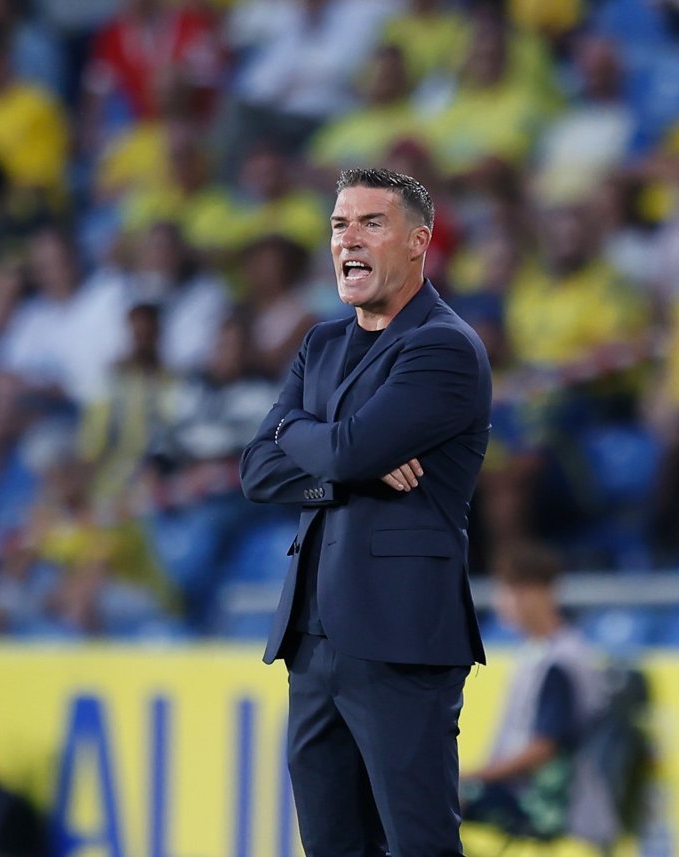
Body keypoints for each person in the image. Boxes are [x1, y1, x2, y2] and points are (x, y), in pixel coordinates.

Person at [240, 167, 492, 856]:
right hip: (312, 640)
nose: (347, 237)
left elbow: (342, 449)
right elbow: (256, 470)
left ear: (418, 241)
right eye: (337, 224)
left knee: (419, 845)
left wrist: (299, 429)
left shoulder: (443, 346)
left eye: (369, 223)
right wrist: (334, 465)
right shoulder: (320, 344)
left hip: (398, 638)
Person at [461, 541, 616, 847]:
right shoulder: (541, 654)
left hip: (546, 801)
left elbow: (542, 749)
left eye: (512, 590)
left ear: (540, 593)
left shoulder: (559, 662)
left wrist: (475, 775)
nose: (504, 601)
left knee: (437, 797)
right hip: (528, 791)